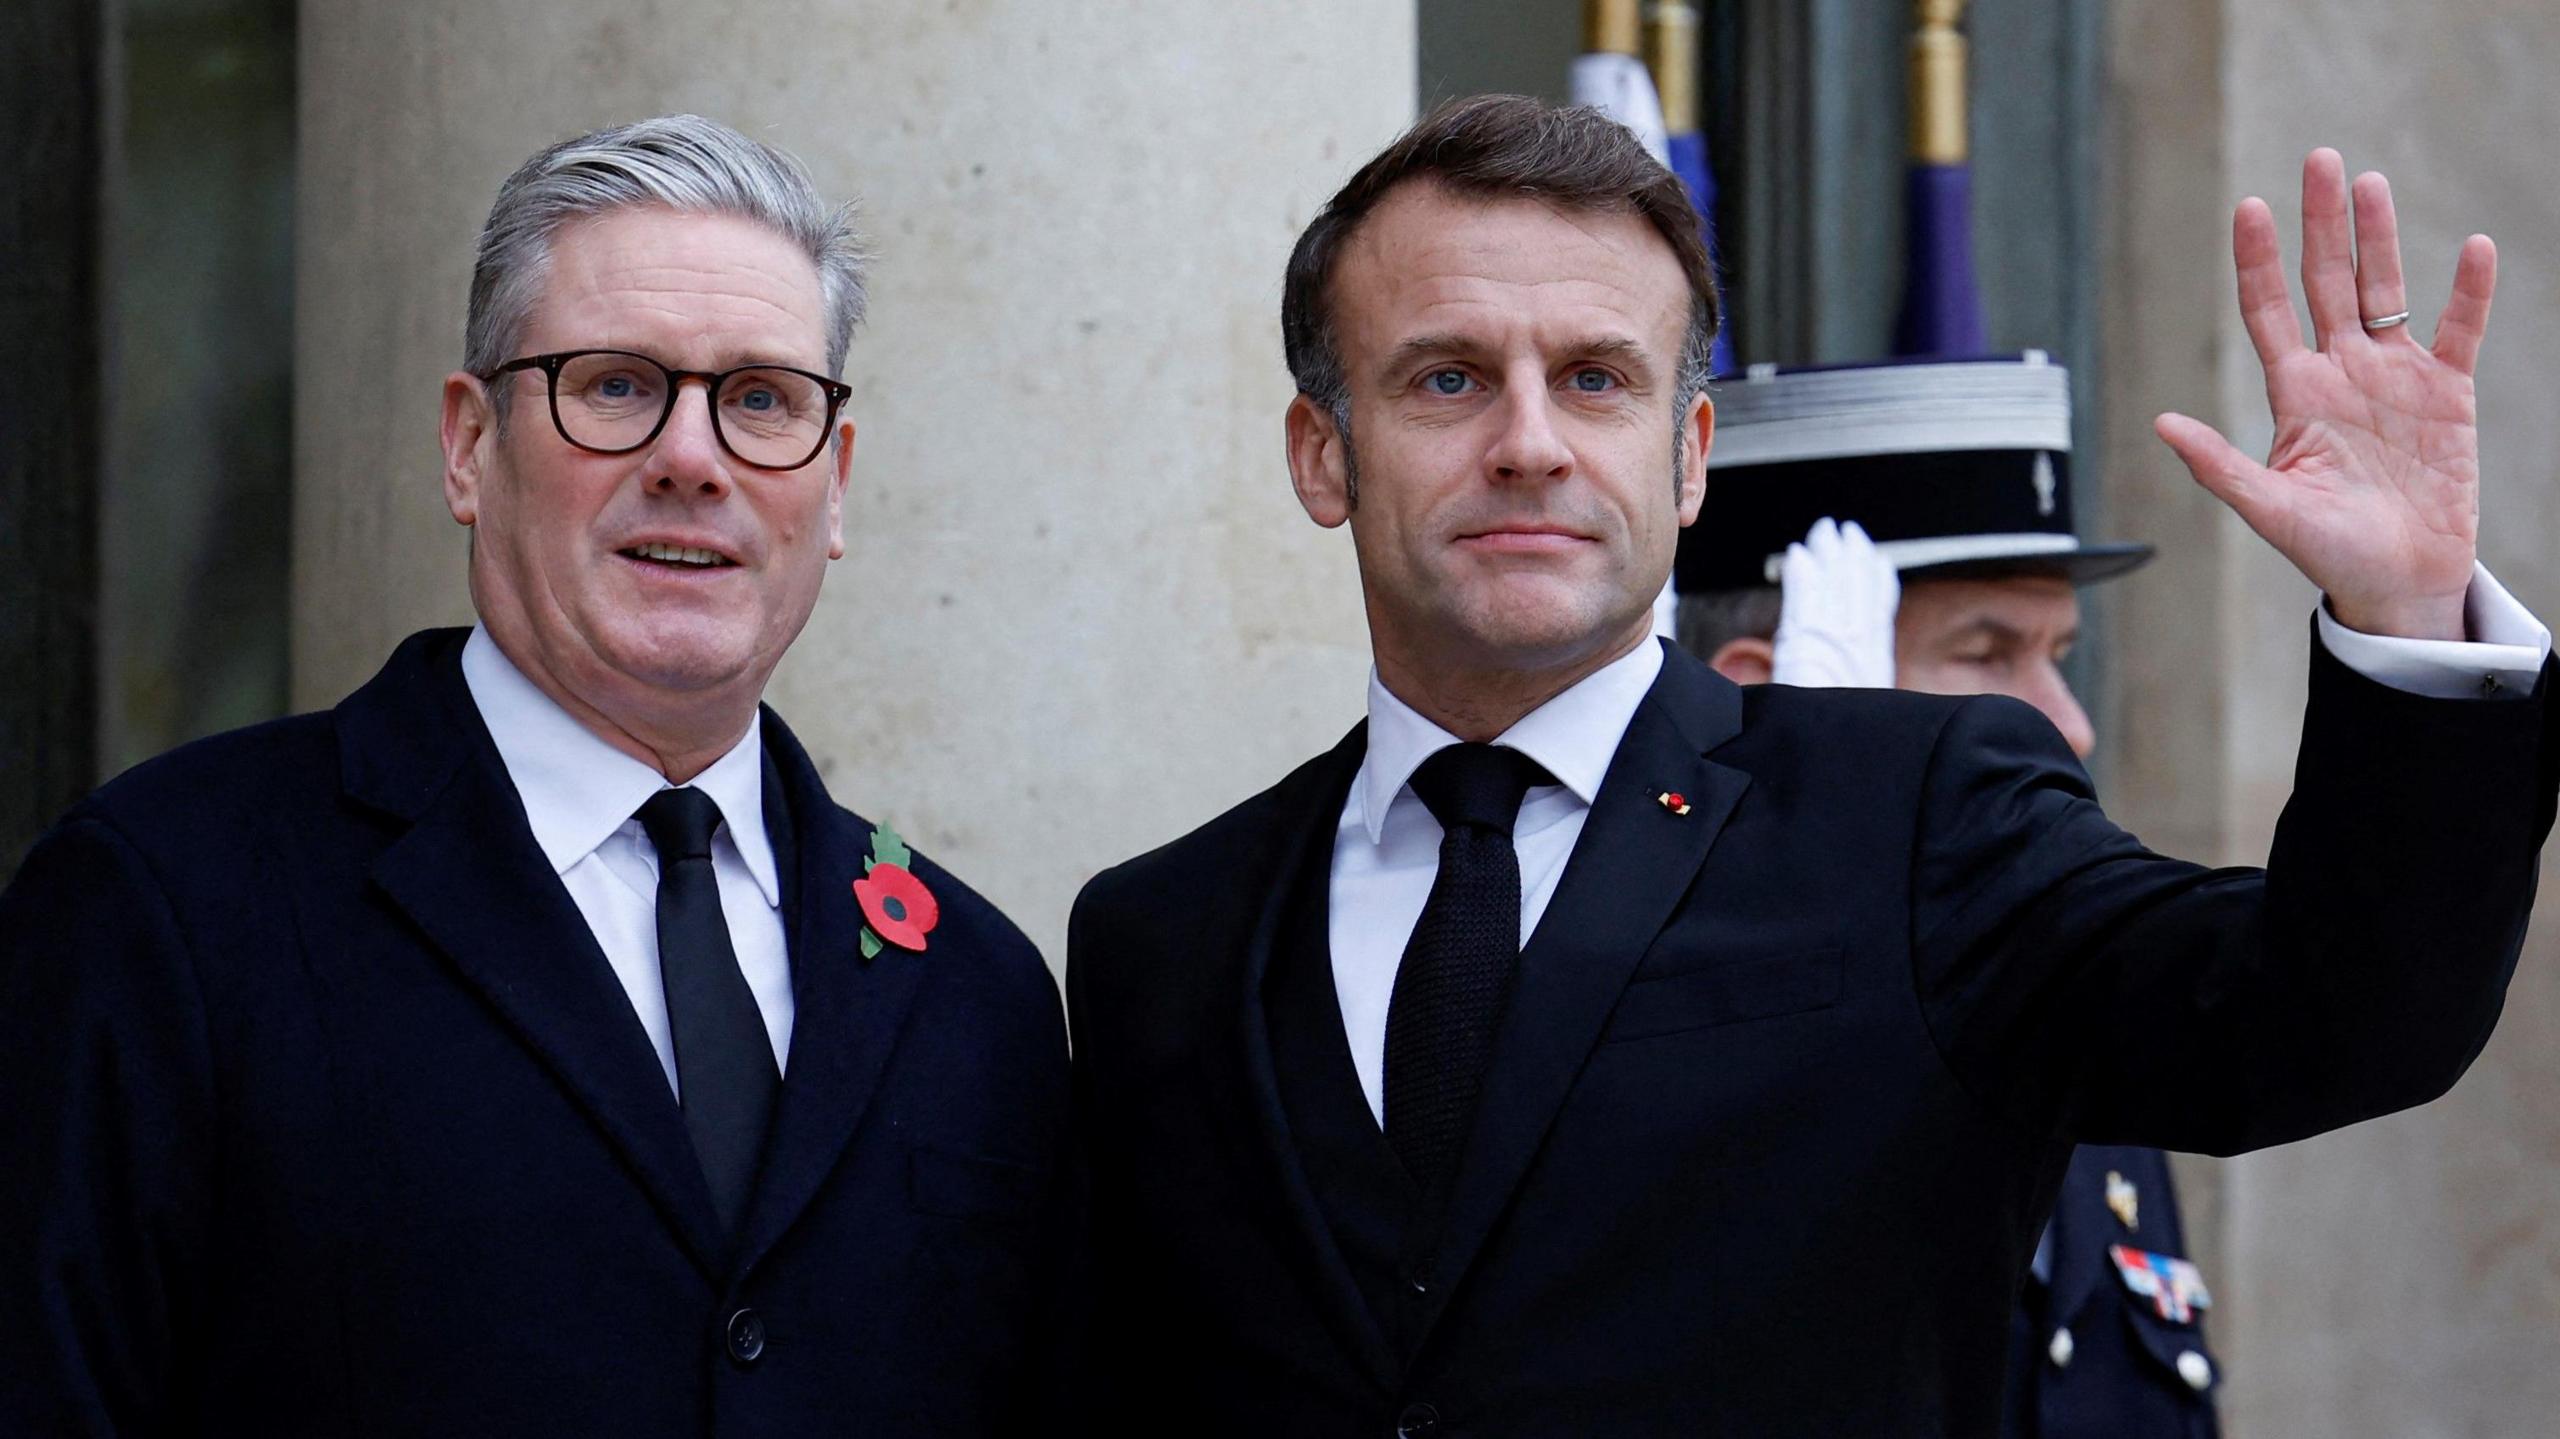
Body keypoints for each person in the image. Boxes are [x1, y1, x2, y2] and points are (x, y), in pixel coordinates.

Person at [1065, 94, 2553, 1436]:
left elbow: (2331, 1014)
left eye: (1596, 380)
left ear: (1689, 454)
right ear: (1324, 454)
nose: (1529, 443)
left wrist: (2408, 620)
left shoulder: (1918, 810)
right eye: (1448, 380)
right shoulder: (1160, 934)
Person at [0, 116, 1068, 1435]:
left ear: (833, 488)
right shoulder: (166, 900)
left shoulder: (973, 985)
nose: (694, 457)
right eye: (616, 385)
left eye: (761, 400)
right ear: (469, 445)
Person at [1673, 352, 2221, 1437]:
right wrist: (1813, 804)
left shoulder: (2055, 990)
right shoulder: (1655, 1038)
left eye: (2060, 653)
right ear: (1767, 686)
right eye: (1986, 653)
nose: (2069, 721)